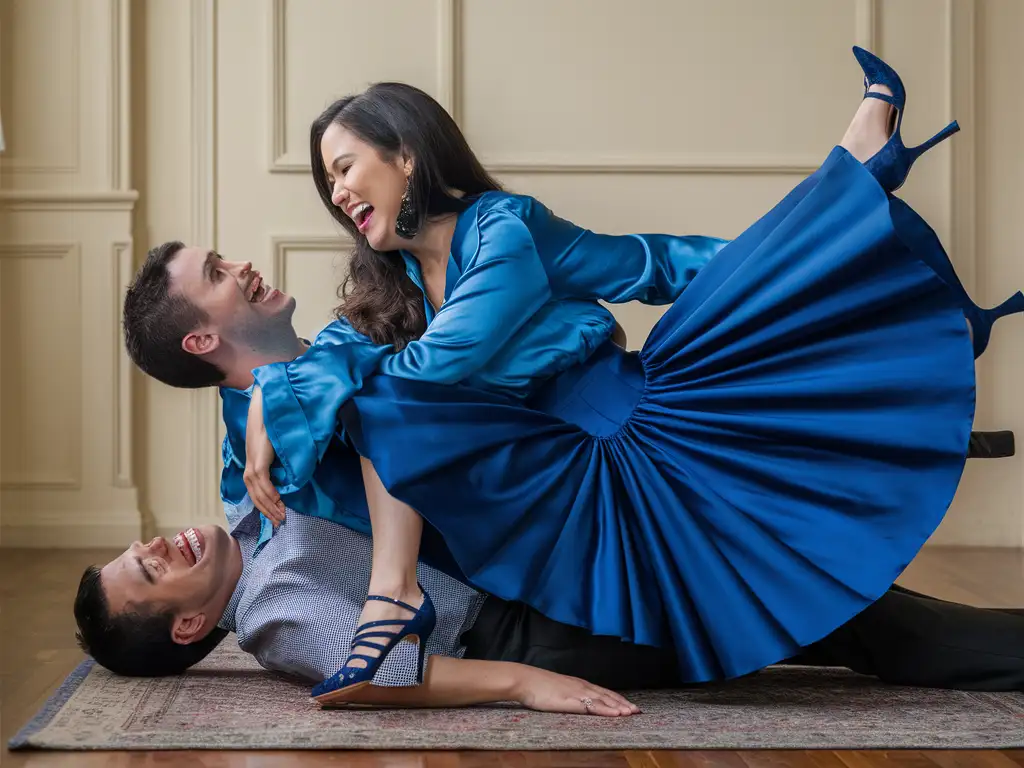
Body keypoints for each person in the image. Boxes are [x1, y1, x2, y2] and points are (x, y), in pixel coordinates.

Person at [238, 47, 1023, 699]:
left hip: (643, 447)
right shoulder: (396, 293)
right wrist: (274, 395)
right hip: (569, 479)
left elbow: (445, 365)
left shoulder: (501, 231)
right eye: (327, 185)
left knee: (858, 621)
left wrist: (836, 274)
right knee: (833, 619)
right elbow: (652, 260)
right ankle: (858, 170)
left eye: (345, 169)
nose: (338, 196)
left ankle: (391, 598)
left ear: (405, 155)